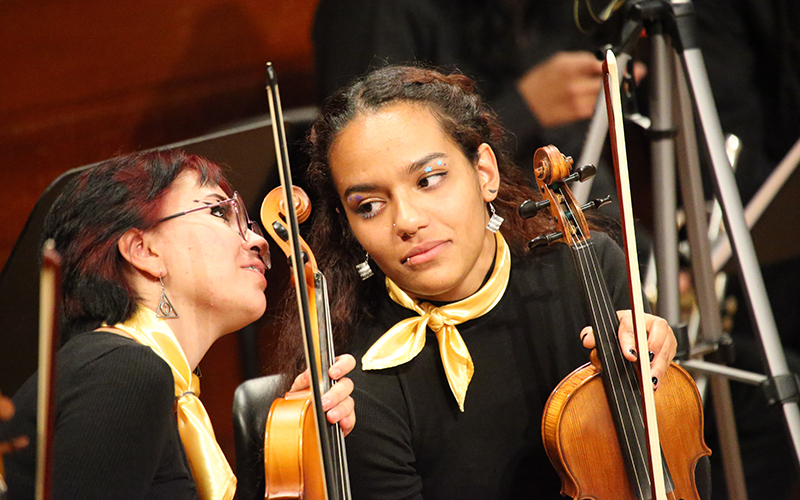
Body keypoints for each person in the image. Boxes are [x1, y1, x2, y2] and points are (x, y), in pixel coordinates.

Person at [274, 65, 684, 499]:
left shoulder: (589, 271)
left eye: (428, 180)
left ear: (484, 172)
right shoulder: (359, 389)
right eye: (370, 206)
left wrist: (662, 382)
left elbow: (679, 476)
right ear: (347, 224)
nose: (408, 221)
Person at [0, 150, 356, 500]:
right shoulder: (122, 371)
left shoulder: (141, 380)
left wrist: (297, 447)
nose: (258, 240)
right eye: (219, 211)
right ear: (144, 251)